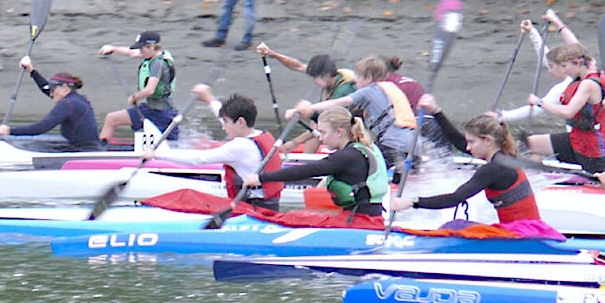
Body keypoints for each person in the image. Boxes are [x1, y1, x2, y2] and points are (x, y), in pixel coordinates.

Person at [391, 96, 544, 224]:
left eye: (472, 142)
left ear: (488, 141)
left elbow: (455, 198)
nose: (468, 148)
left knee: (455, 228)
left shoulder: (493, 168)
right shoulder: (504, 155)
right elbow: (459, 143)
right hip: (525, 230)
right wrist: (437, 112)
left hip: (522, 235)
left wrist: (412, 202)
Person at [143, 88, 284, 210]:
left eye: (226, 122)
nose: (223, 127)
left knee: (188, 196)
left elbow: (198, 159)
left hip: (253, 209)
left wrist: (158, 154)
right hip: (269, 204)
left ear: (240, 122)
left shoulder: (239, 147)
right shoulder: (261, 134)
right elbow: (229, 117)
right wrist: (209, 99)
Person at [243, 106, 389, 218]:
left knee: (294, 218)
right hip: (371, 216)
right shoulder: (365, 147)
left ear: (339, 132)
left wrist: (261, 178)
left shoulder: (348, 156)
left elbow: (305, 171)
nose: (320, 138)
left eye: (324, 132)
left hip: (361, 222)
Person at [288, 55, 418, 176]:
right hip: (414, 145)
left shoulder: (368, 91)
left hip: (393, 145)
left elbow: (339, 103)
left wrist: (307, 108)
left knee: (360, 171)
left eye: (358, 77)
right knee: (404, 181)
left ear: (368, 78)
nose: (355, 81)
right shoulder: (391, 88)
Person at [526, 42, 605, 174]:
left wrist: (539, 102)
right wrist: (557, 23)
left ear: (578, 63)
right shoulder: (589, 72)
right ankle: (541, 176)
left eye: (565, 66)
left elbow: (568, 112)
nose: (564, 71)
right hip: (575, 140)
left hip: (592, 148)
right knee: (527, 144)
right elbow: (576, 46)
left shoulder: (588, 84)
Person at [256, 43, 356, 153]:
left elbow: (322, 125)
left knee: (318, 123)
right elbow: (297, 66)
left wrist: (295, 142)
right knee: (316, 121)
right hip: (336, 120)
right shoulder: (329, 74)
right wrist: (272, 54)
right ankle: (307, 157)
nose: (314, 81)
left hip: (353, 127)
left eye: (316, 78)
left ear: (327, 75)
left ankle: (309, 157)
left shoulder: (343, 91)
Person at [0, 56, 101, 151]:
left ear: (64, 88)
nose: (50, 95)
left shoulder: (67, 104)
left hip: (83, 151)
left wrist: (10, 131)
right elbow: (45, 88)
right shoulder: (76, 100)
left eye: (52, 91)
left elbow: (42, 127)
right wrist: (32, 71)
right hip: (86, 147)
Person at [499, 9, 580, 123]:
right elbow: (547, 56)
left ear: (563, 66)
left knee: (531, 141)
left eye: (551, 67)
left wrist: (501, 116)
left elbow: (535, 110)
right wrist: (533, 32)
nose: (549, 71)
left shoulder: (564, 87)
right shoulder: (582, 68)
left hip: (582, 136)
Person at [98, 30, 179, 142]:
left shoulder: (158, 64)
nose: (140, 52)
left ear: (152, 46)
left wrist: (134, 97)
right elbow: (131, 53)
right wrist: (113, 48)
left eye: (142, 48)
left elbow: (150, 90)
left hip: (162, 113)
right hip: (149, 109)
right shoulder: (154, 54)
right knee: (111, 118)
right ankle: (100, 150)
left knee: (169, 144)